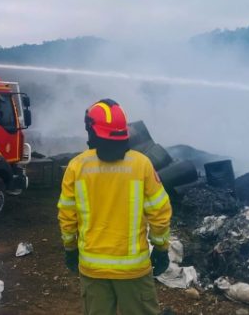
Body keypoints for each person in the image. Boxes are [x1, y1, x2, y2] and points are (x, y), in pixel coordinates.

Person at [58, 99, 173, 315]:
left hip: (92, 269)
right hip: (133, 271)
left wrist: (70, 249)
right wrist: (161, 248)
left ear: (91, 130)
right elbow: (159, 213)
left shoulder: (76, 167)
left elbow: (67, 216)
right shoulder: (141, 164)